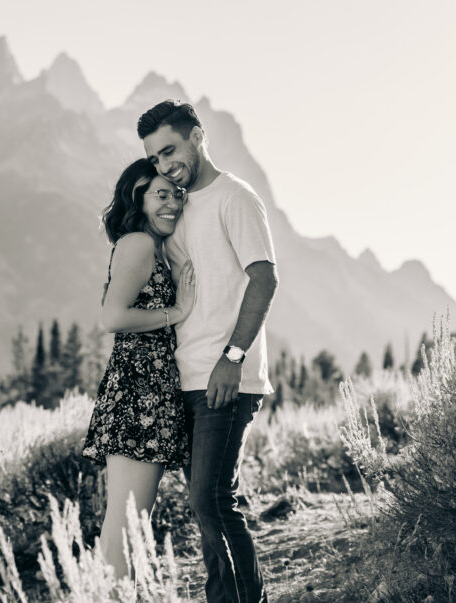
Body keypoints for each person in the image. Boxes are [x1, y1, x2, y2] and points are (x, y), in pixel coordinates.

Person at [138, 100, 278, 603]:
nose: (164, 164)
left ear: (198, 135)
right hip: (185, 379)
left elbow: (264, 278)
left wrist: (233, 358)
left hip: (226, 378)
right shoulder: (174, 207)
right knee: (211, 506)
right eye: (155, 157)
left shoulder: (234, 198)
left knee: (211, 500)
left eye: (170, 149)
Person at [81, 157, 196, 579]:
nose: (171, 203)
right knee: (127, 527)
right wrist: (177, 310)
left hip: (147, 393)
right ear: (138, 199)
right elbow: (112, 318)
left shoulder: (151, 246)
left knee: (128, 524)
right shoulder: (138, 244)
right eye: (160, 195)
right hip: (138, 396)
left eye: (176, 194)